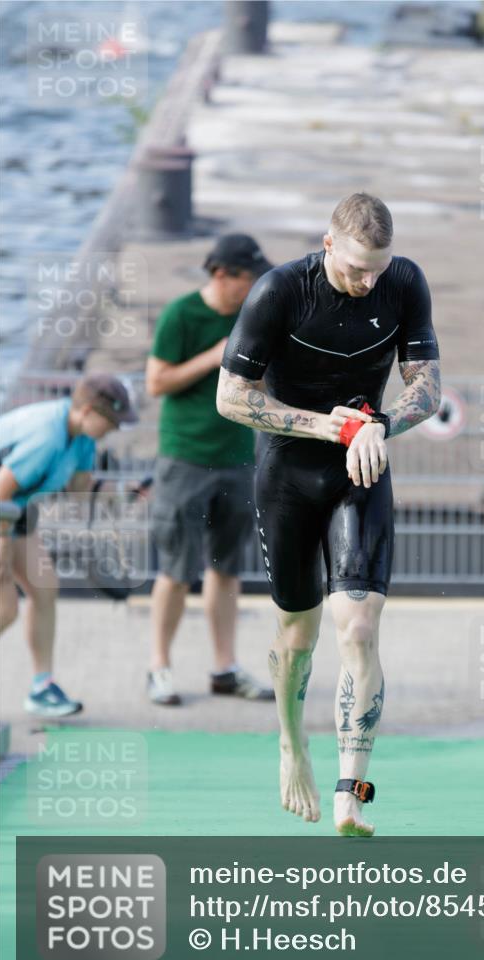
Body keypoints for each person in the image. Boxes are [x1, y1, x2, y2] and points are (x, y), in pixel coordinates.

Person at [217, 193, 441, 836]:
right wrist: (330, 427)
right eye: (355, 270)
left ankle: (354, 791)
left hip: (360, 467)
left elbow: (426, 387)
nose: (367, 282)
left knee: (361, 629)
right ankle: (292, 746)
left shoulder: (403, 282)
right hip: (287, 471)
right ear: (327, 246)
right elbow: (232, 397)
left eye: (378, 269)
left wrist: (380, 424)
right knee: (298, 634)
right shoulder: (279, 291)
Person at [146, 233, 276, 706]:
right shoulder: (181, 314)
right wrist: (216, 354)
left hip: (238, 456)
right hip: (184, 457)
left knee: (226, 569)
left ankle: (225, 668)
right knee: (176, 569)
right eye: (248, 277)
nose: (254, 285)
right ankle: (158, 668)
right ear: (222, 274)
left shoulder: (253, 316)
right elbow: (156, 381)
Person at [0, 374, 138, 717]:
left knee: (44, 587)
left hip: (15, 511)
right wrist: (0, 547)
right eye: (112, 421)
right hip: (1, 509)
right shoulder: (46, 436)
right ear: (88, 410)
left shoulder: (83, 437)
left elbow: (79, 488)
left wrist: (124, 493)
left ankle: (42, 688)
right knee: (4, 609)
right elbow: (0, 490)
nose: (115, 429)